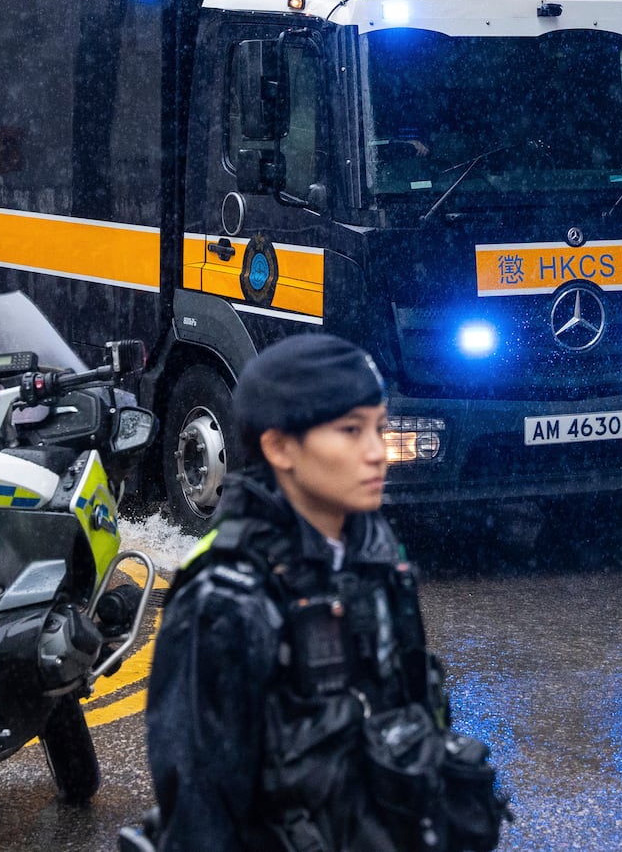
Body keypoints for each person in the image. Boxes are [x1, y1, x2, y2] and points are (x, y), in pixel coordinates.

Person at [141, 334, 506, 852]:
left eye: (380, 428)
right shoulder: (224, 596)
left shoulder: (376, 552)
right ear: (280, 446)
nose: (378, 452)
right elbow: (202, 809)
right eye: (351, 431)